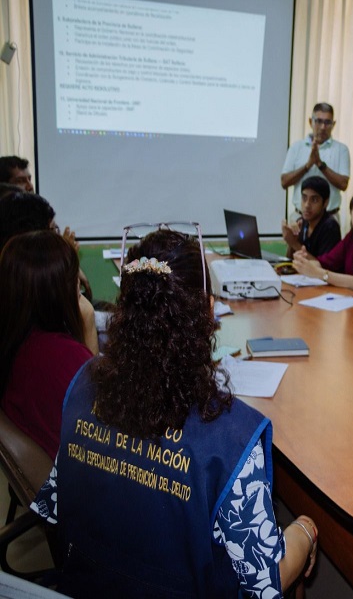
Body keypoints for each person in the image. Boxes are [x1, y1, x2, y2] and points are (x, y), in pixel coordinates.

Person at [31, 228, 318, 597]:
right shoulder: (230, 438)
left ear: (124, 311)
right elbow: (266, 581)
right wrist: (307, 529)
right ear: (208, 312)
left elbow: (57, 506)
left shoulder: (82, 386)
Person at [0, 230, 93, 460]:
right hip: (76, 486)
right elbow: (105, 428)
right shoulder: (64, 359)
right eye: (75, 282)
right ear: (57, 291)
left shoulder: (18, 345)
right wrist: (89, 325)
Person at [0, 190, 98, 354]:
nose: (58, 238)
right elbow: (86, 378)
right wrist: (88, 324)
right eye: (53, 230)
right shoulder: (46, 339)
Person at [281, 102, 350, 218]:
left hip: (329, 218)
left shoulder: (341, 150)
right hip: (300, 217)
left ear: (333, 124)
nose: (323, 127)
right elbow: (284, 182)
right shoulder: (296, 147)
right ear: (310, 122)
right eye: (318, 121)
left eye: (327, 122)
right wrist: (307, 166)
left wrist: (320, 164)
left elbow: (343, 184)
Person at [280, 175, 341, 259]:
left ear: (325, 203)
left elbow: (321, 268)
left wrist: (294, 243)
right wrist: (292, 241)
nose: (307, 205)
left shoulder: (330, 227)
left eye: (314, 200)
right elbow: (290, 261)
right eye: (304, 198)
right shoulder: (302, 222)